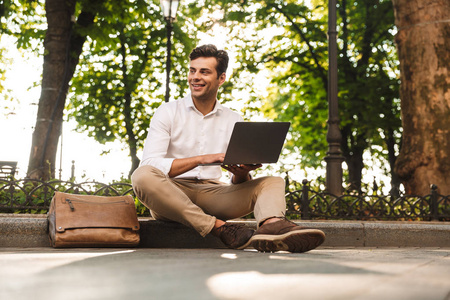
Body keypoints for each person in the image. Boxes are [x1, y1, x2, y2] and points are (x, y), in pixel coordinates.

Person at [131, 44, 325, 253]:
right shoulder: (167, 112)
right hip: (171, 193)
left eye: (204, 72)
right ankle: (219, 228)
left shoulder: (233, 119)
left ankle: (272, 225)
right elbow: (151, 164)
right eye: (192, 70)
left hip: (214, 192)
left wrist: (241, 175)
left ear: (221, 78)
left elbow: (236, 180)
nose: (195, 77)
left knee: (273, 181)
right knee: (142, 175)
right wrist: (201, 159)